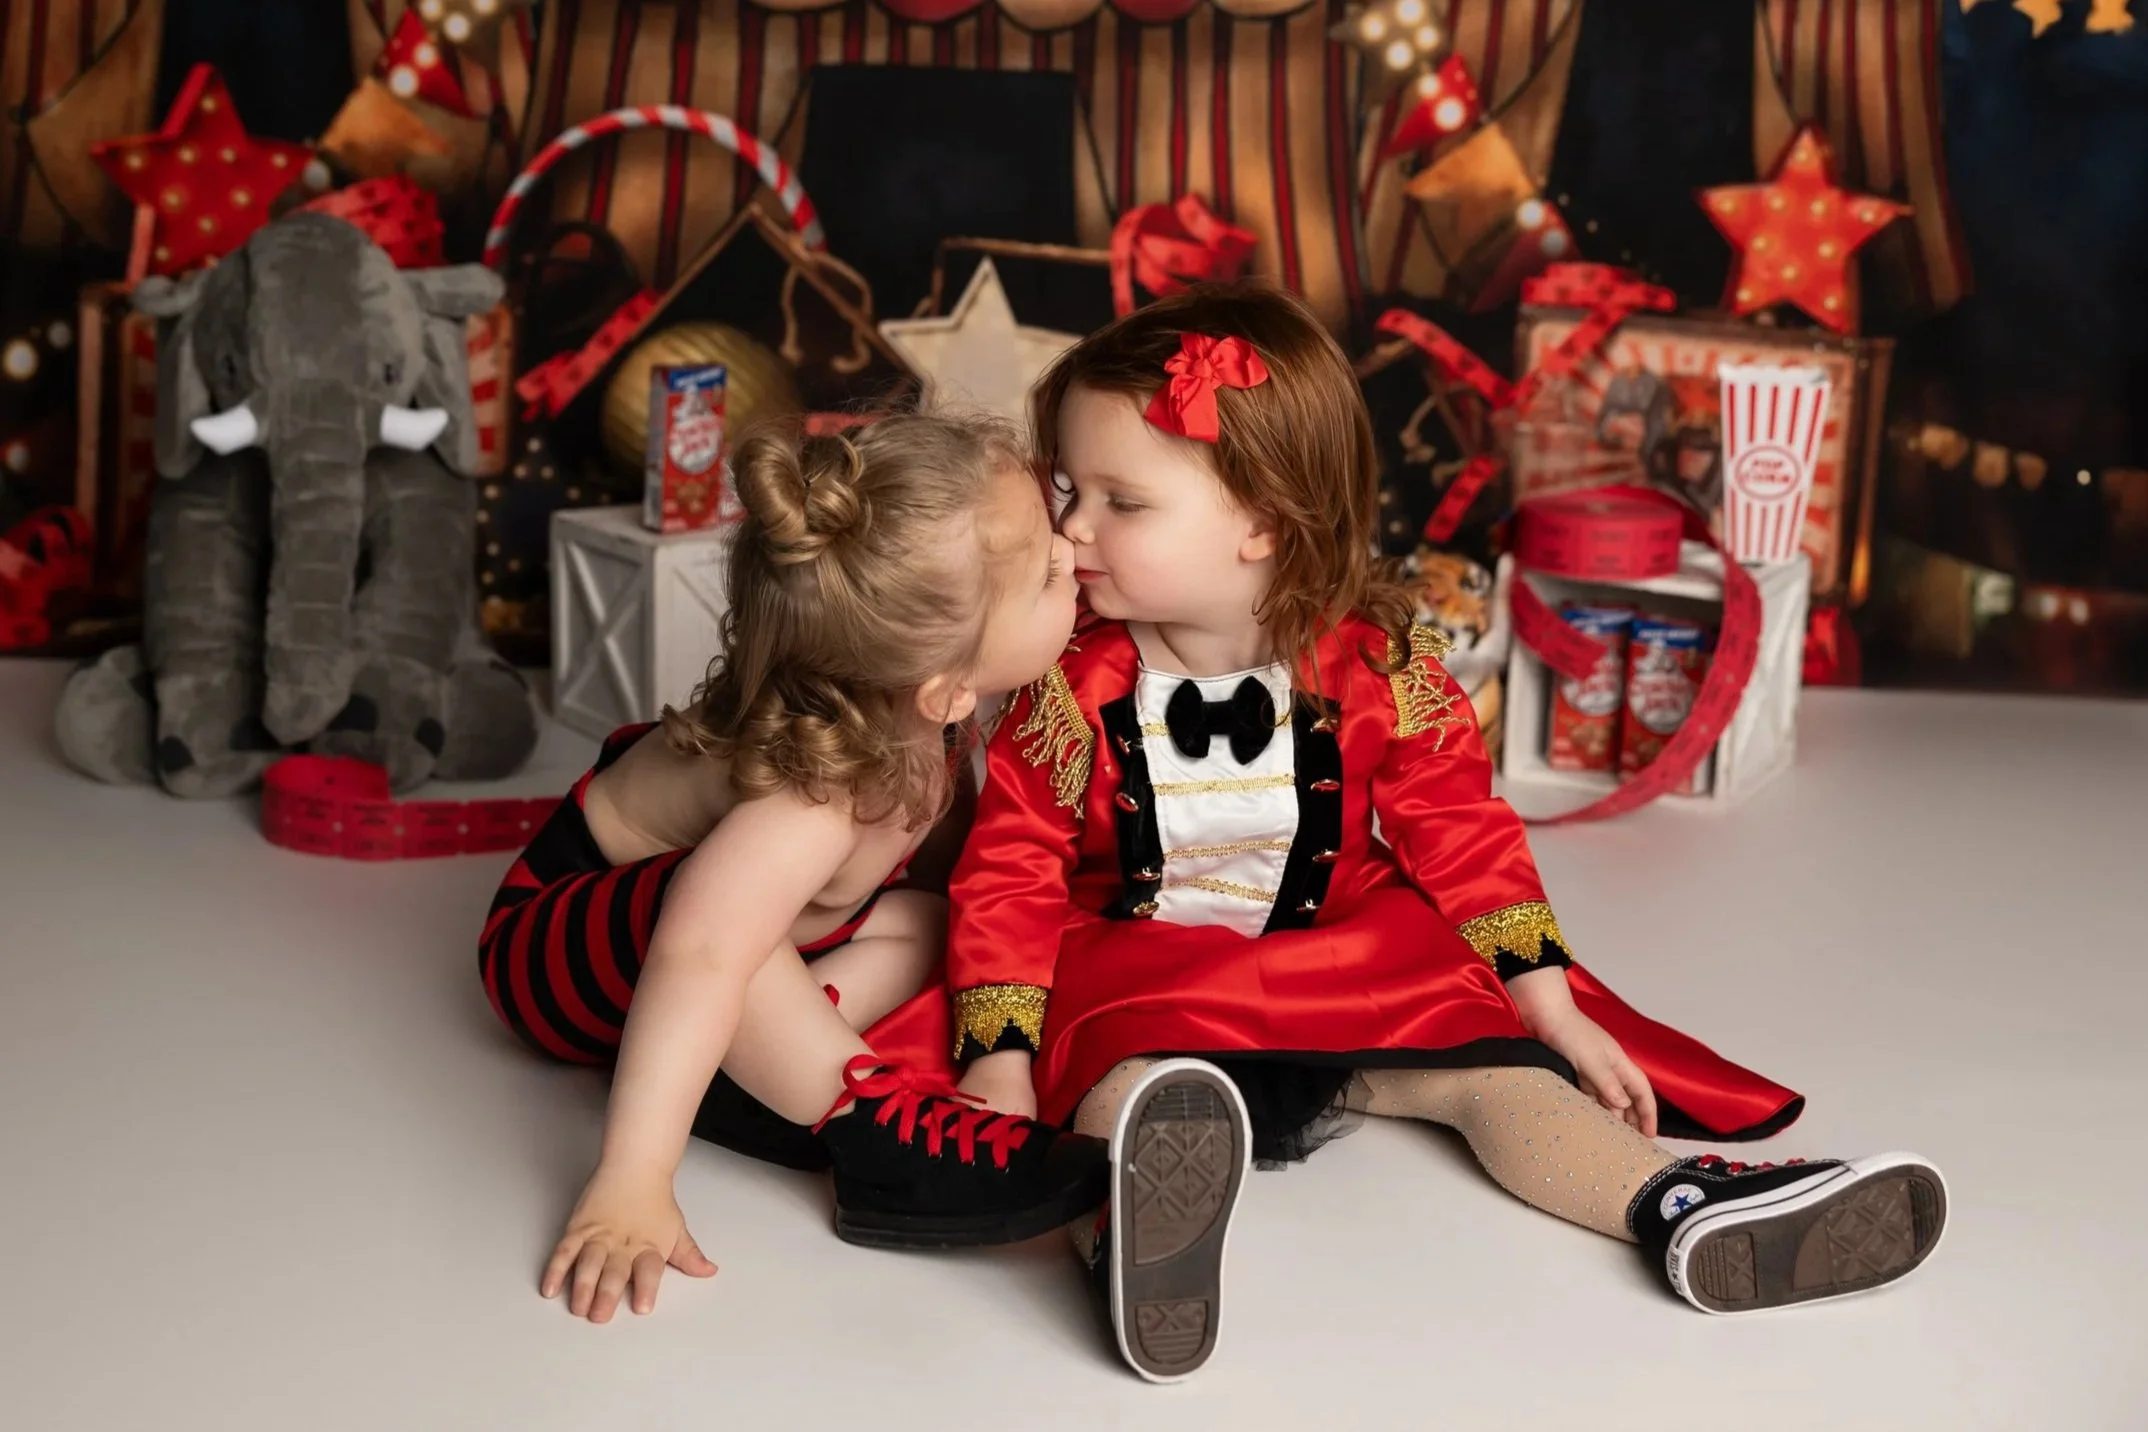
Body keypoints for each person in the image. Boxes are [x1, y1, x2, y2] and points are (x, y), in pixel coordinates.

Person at [932, 284, 1949, 1381]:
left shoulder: (1374, 663)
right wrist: (1000, 1060)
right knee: (1120, 1083)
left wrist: (1548, 1006)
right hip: (1143, 961)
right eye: (1069, 490)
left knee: (1496, 1075)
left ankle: (1676, 1204)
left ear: (1263, 521)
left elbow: (1461, 826)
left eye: (1121, 502)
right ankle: (1126, 1230)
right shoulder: (1066, 684)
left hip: (1336, 952)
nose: (1071, 527)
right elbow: (1009, 874)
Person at [478, 414, 1103, 1324]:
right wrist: (633, 1178)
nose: (1075, 558)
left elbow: (958, 876)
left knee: (937, 923)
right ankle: (871, 1134)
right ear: (947, 686)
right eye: (1048, 572)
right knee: (714, 928)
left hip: (737, 926)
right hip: (564, 938)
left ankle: (751, 1073)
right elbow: (698, 953)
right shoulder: (813, 802)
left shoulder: (935, 720)